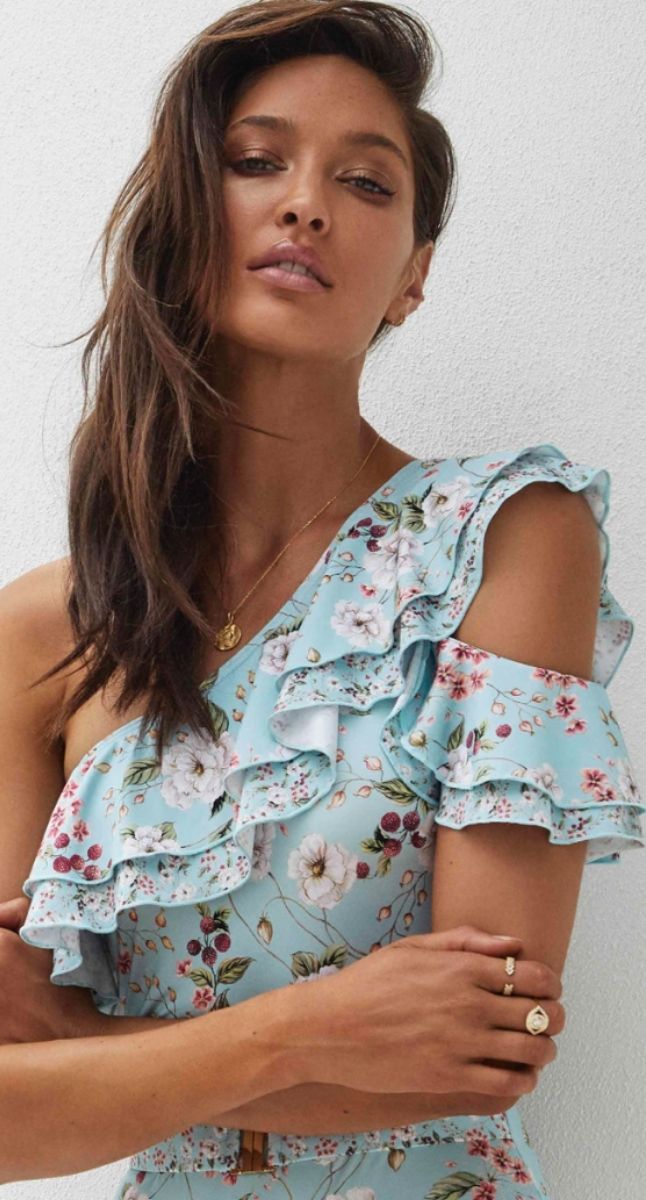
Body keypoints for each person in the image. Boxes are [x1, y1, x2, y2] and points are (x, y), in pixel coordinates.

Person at [0, 1, 643, 1195]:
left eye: (365, 182)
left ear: (414, 275)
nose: (305, 204)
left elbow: (484, 1054)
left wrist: (88, 1049)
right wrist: (313, 1032)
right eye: (256, 162)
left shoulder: (504, 538)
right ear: (185, 215)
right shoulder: (44, 633)